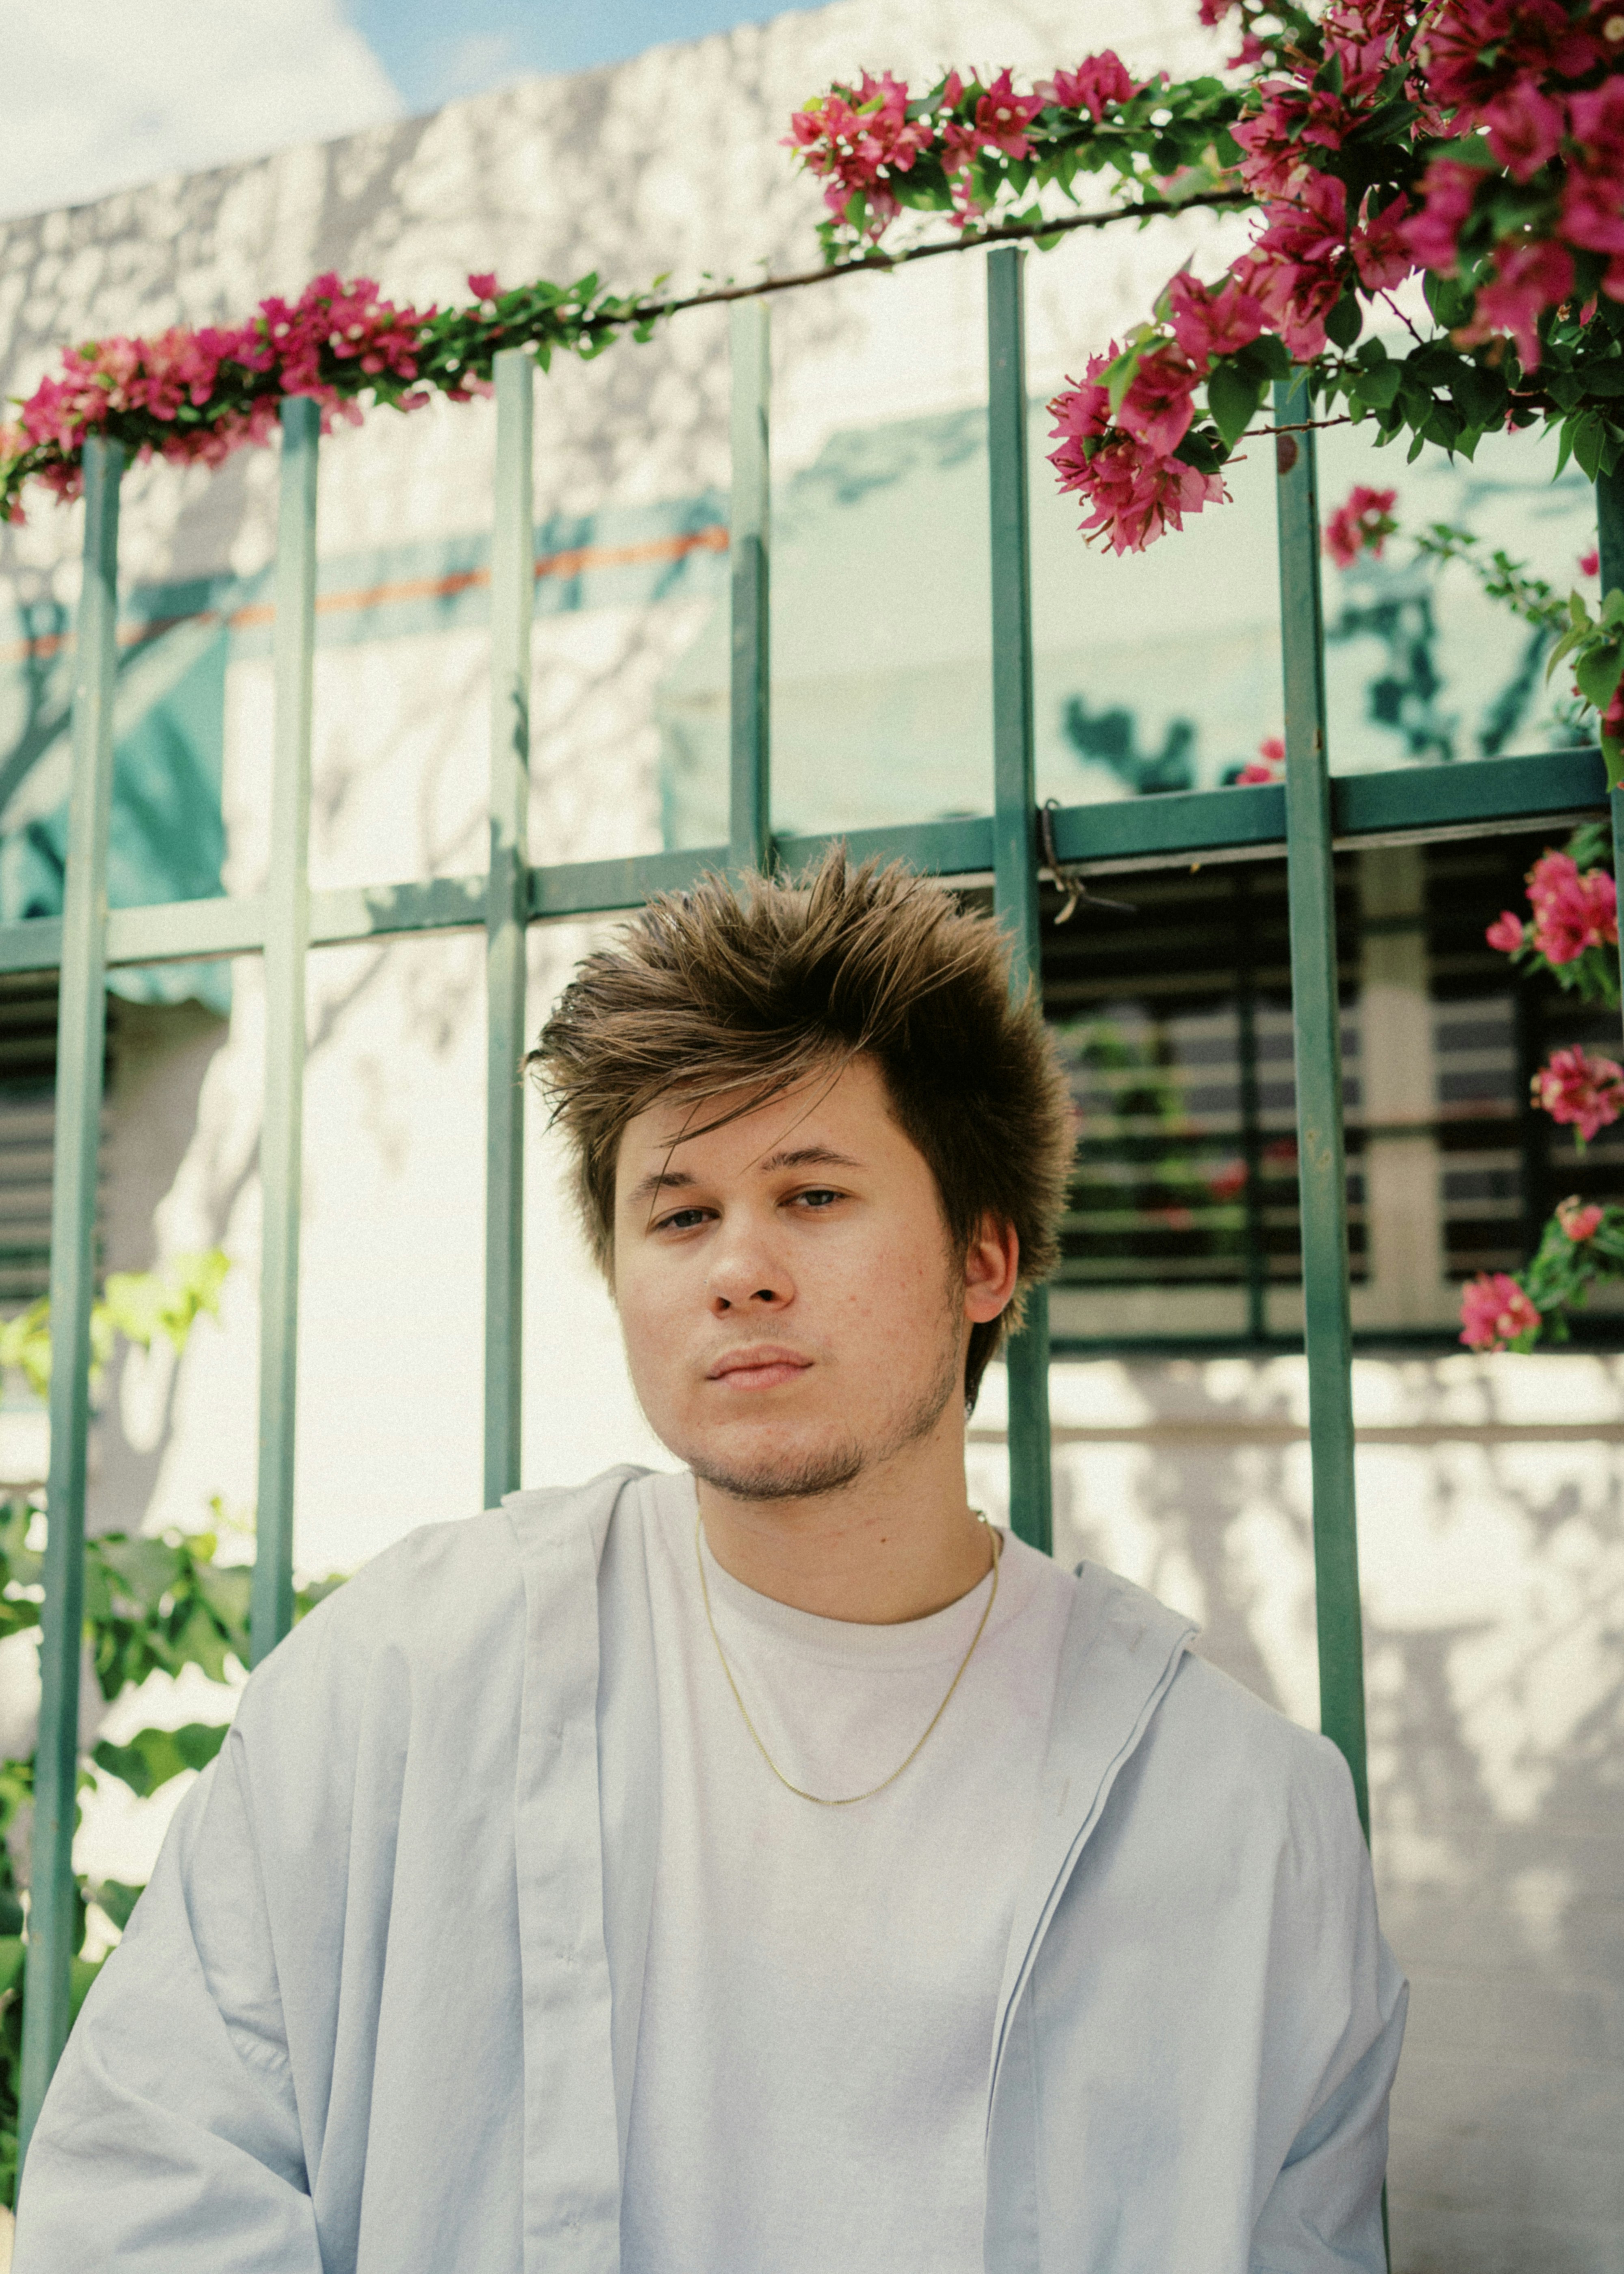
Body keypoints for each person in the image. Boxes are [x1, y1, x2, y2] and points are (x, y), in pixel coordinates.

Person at [14, 851, 1406, 2273]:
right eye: (681, 1216)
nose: (740, 1268)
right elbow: (143, 2194)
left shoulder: (1240, 1824)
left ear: (985, 1259)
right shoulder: (404, 1684)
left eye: (815, 1195)